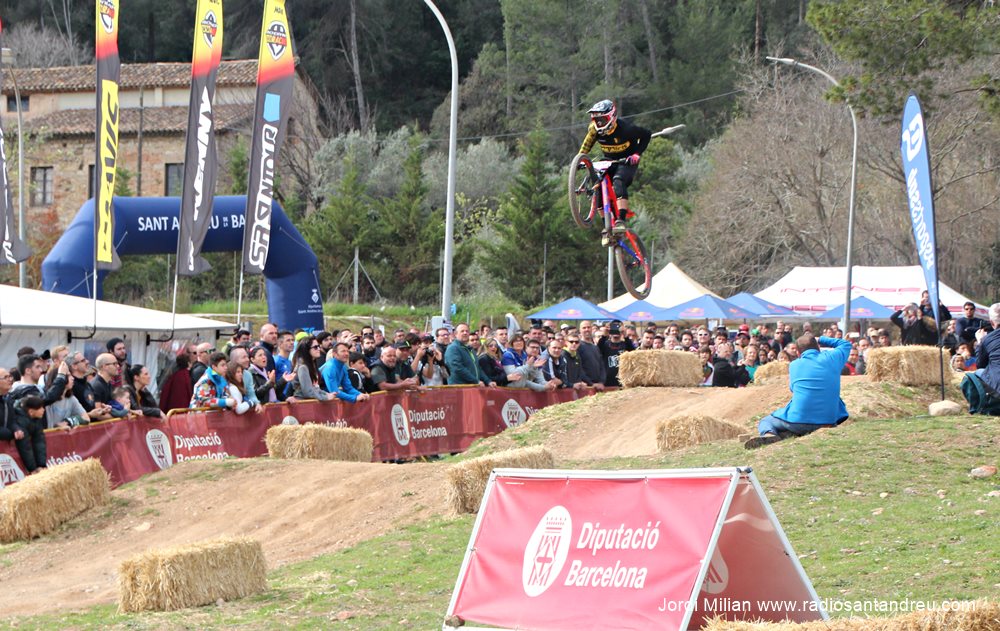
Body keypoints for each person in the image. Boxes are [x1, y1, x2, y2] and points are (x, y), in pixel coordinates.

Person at [745, 334, 853, 449]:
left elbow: (793, 389)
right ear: (818, 347)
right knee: (836, 400)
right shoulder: (832, 358)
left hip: (799, 422)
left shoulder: (794, 365)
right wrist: (821, 339)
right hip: (829, 420)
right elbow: (845, 344)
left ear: (798, 352)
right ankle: (790, 433)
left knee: (766, 421)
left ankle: (769, 434)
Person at [578, 99, 653, 246]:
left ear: (611, 117)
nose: (599, 123)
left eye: (602, 119)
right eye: (596, 120)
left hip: (626, 162)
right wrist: (580, 160)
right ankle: (607, 229)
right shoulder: (594, 129)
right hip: (609, 160)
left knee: (618, 181)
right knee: (597, 190)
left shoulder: (627, 128)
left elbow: (646, 135)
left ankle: (621, 221)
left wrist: (637, 154)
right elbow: (586, 146)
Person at [1, 368, 40, 471]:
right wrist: (11, 434)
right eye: (5, 377)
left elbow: (12, 420)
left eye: (10, 376)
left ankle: (33, 469)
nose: (10, 379)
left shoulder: (7, 398)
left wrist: (16, 429)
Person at [291, 337, 337, 401]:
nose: (319, 349)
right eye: (315, 347)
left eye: (318, 346)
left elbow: (315, 388)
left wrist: (326, 394)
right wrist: (326, 397)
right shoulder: (303, 367)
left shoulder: (312, 365)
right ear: (306, 350)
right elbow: (308, 392)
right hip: (302, 404)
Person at [14, 395, 49, 472]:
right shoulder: (21, 421)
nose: (43, 410)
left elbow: (39, 442)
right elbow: (24, 446)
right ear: (31, 412)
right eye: (40, 408)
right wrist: (33, 469)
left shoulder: (37, 419)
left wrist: (41, 465)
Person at [159, 348, 194, 413]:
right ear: (188, 363)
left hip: (172, 409)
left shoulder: (174, 374)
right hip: (181, 410)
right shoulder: (185, 375)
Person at [975, 303, 1000, 393]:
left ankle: (982, 404)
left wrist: (980, 342)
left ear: (992, 322)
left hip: (997, 388)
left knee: (977, 373)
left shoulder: (987, 339)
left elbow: (980, 364)